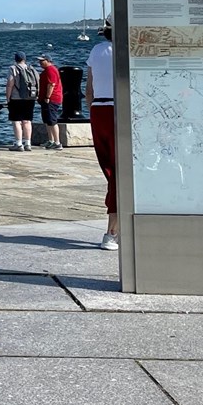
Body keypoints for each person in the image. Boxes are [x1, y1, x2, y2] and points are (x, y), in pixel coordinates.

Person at [85, 21, 117, 250]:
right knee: (120, 171)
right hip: (119, 109)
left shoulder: (96, 50)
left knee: (109, 169)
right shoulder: (128, 51)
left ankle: (116, 227)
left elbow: (89, 88)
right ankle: (112, 230)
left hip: (99, 109)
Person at [4, 53, 38, 151]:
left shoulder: (13, 68)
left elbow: (10, 83)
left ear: (15, 59)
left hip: (16, 98)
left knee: (16, 121)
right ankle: (28, 143)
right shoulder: (31, 69)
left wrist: (8, 97)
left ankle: (19, 144)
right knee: (27, 121)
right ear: (24, 59)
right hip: (30, 97)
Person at [37, 53, 64, 150]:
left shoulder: (50, 70)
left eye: (42, 60)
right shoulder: (46, 71)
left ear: (48, 61)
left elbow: (51, 84)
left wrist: (48, 97)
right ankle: (51, 140)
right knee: (47, 120)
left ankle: (57, 142)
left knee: (52, 120)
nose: (40, 62)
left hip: (52, 99)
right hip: (46, 99)